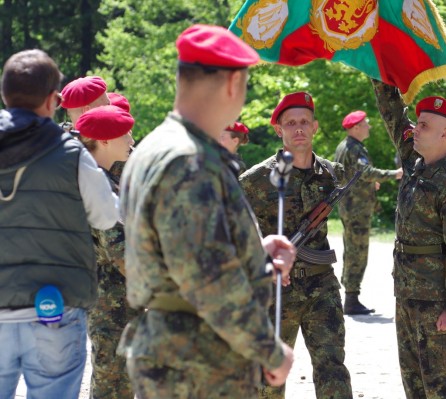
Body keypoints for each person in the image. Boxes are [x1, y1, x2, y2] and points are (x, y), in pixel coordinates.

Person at [117, 24, 295, 398]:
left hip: (182, 354)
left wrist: (252, 255)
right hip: (200, 363)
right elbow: (208, 280)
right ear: (233, 84)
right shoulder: (189, 160)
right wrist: (269, 349)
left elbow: (179, 254)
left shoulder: (154, 148)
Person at [0, 49, 119, 399]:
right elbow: (106, 216)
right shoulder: (71, 152)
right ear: (54, 100)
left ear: (5, 96)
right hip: (54, 308)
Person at [240, 92, 353, 399]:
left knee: (332, 366)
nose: (298, 128)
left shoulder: (333, 174)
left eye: (304, 121)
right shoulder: (256, 180)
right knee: (269, 374)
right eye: (291, 123)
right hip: (276, 290)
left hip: (322, 285)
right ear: (279, 129)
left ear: (315, 126)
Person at [372, 84, 446, 399]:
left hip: (435, 299)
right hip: (406, 291)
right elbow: (394, 115)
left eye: (423, 126)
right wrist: (379, 71)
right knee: (414, 380)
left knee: (442, 383)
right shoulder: (414, 160)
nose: (414, 130)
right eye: (417, 123)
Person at [76, 105, 139, 398]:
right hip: (111, 307)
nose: (131, 140)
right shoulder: (95, 184)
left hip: (123, 302)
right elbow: (122, 254)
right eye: (124, 134)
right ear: (103, 141)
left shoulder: (107, 178)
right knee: (113, 386)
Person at [334, 110, 403, 315]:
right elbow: (364, 172)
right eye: (366, 124)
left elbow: (352, 175)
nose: (369, 127)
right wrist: (395, 174)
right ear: (356, 128)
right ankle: (351, 299)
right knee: (357, 252)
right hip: (356, 208)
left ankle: (350, 296)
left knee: (352, 250)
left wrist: (370, 183)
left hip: (351, 206)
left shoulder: (347, 146)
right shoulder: (354, 148)